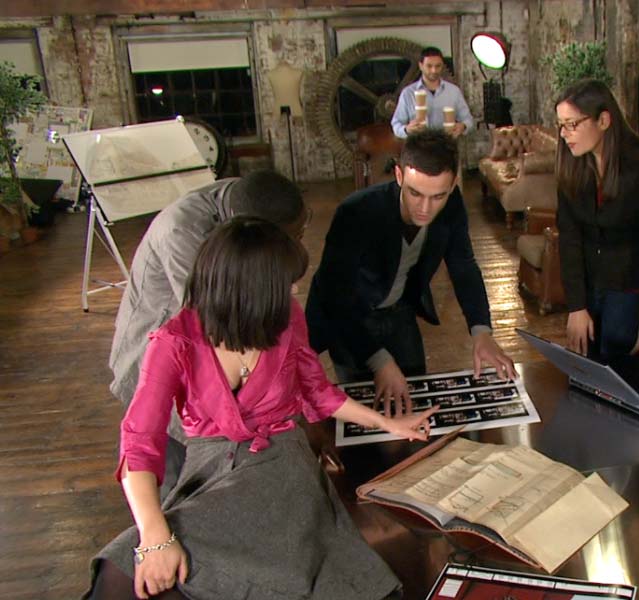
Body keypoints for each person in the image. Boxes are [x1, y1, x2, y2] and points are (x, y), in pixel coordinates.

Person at [86, 218, 434, 600]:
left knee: (195, 565)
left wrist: (387, 423)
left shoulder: (287, 317)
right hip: (211, 469)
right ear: (251, 290)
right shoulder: (173, 341)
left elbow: (317, 392)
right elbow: (139, 442)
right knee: (125, 560)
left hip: (281, 464)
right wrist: (154, 536)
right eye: (285, 283)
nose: (295, 290)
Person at [108, 170, 310, 492]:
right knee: (177, 483)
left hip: (211, 368)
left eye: (302, 233)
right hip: (160, 365)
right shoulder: (183, 234)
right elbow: (221, 326)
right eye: (290, 240)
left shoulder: (253, 198)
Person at [306, 129, 516, 414]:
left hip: (400, 311)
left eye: (438, 196)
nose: (425, 208)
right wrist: (380, 361)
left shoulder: (453, 204)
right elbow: (336, 298)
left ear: (453, 184)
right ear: (399, 175)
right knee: (366, 410)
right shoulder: (356, 212)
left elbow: (463, 265)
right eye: (415, 193)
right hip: (350, 318)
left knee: (415, 402)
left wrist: (482, 332)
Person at [553, 79, 639, 362]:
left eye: (572, 124)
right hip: (587, 286)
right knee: (584, 370)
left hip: (628, 288)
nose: (564, 134)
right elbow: (569, 236)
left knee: (621, 370)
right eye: (561, 125)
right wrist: (576, 306)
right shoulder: (571, 162)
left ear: (604, 120)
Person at [390, 46, 474, 139]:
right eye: (429, 66)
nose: (434, 70)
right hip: (418, 145)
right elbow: (396, 124)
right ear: (421, 66)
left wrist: (463, 126)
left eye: (438, 66)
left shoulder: (454, 91)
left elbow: (468, 120)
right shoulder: (408, 93)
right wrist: (406, 129)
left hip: (446, 145)